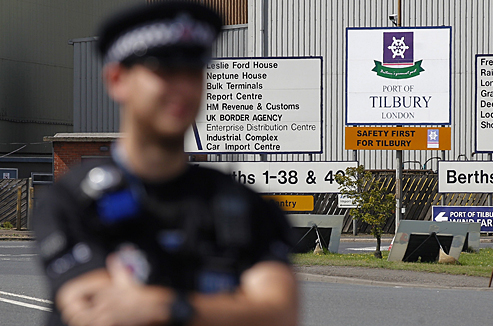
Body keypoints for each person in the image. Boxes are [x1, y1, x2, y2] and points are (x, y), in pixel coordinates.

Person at [33, 2, 299, 326]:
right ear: (117, 80)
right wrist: (232, 309)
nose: (183, 88)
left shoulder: (242, 205)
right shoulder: (73, 201)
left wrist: (164, 307)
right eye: (165, 70)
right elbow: (96, 311)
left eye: (193, 71)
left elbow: (279, 312)